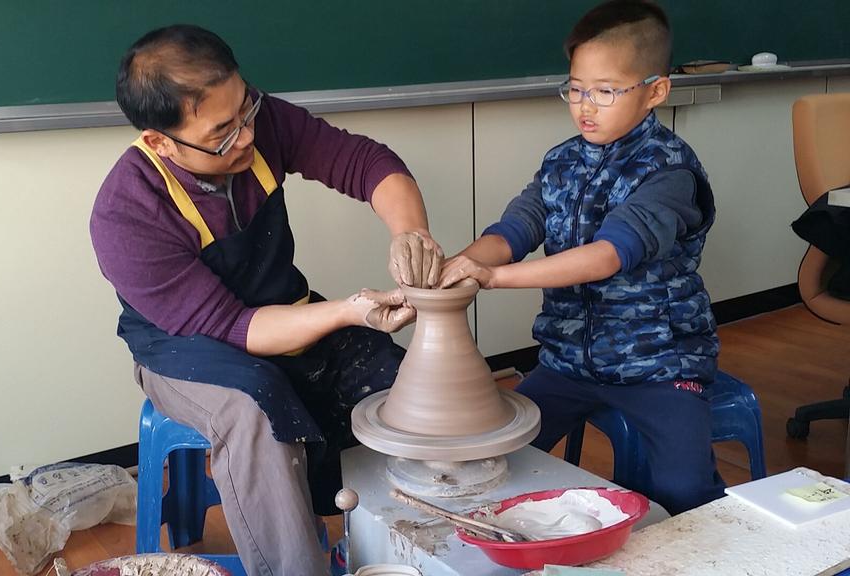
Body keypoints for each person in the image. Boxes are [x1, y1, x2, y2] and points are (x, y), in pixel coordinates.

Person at [90, 25, 443, 575]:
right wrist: (352, 310)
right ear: (160, 141)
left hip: (284, 312)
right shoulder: (127, 213)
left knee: (399, 377)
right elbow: (235, 327)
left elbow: (367, 164)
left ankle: (401, 551)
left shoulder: (260, 122)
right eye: (222, 133)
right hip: (186, 348)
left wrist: (411, 234)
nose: (247, 135)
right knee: (259, 414)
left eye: (246, 109)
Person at [439, 0, 725, 515]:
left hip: (659, 365)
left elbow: (608, 255)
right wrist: (451, 271)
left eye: (605, 91)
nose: (585, 106)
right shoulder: (562, 160)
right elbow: (514, 229)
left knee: (684, 494)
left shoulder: (669, 172)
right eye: (575, 88)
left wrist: (492, 278)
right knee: (493, 464)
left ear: (655, 91)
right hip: (567, 362)